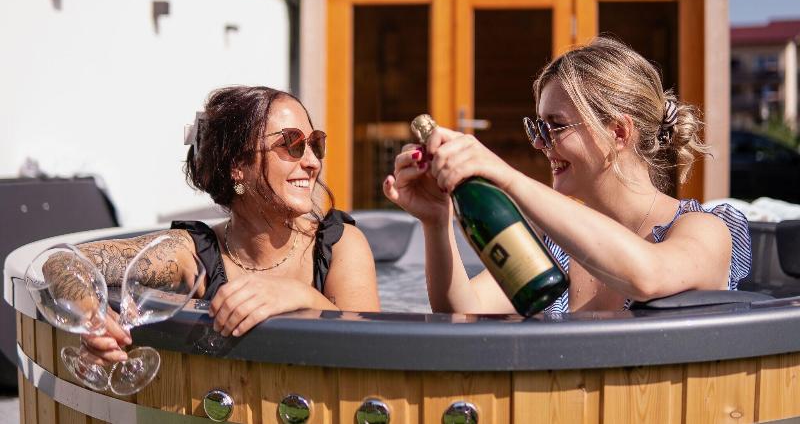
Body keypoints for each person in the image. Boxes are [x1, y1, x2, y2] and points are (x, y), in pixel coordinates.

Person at [384, 37, 751, 314]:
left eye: (555, 126)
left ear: (618, 132)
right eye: (538, 127)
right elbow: (465, 312)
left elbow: (647, 276)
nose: (540, 144)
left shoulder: (705, 229)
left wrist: (505, 175)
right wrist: (437, 223)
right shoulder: (556, 244)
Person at [80, 86, 380, 364]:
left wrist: (301, 296)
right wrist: (92, 316)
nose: (313, 162)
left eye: (315, 144)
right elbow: (69, 262)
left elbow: (372, 352)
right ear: (237, 165)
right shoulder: (194, 254)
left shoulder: (339, 245)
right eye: (292, 144)